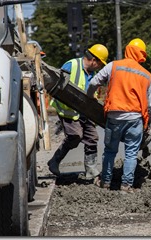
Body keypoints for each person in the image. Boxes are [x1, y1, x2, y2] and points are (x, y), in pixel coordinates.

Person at [87, 38, 151, 193]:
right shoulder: (146, 75)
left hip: (114, 117)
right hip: (135, 119)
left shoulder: (113, 66)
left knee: (110, 151)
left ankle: (105, 182)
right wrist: (147, 124)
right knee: (131, 153)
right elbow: (150, 106)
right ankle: (126, 186)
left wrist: (90, 98)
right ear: (142, 55)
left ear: (127, 50)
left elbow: (93, 83)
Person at [47, 44, 109, 179]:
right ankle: (54, 161)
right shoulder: (72, 65)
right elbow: (58, 87)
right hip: (68, 111)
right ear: (94, 60)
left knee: (92, 138)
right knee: (75, 136)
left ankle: (91, 169)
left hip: (85, 112)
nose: (100, 67)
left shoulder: (93, 75)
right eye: (100, 63)